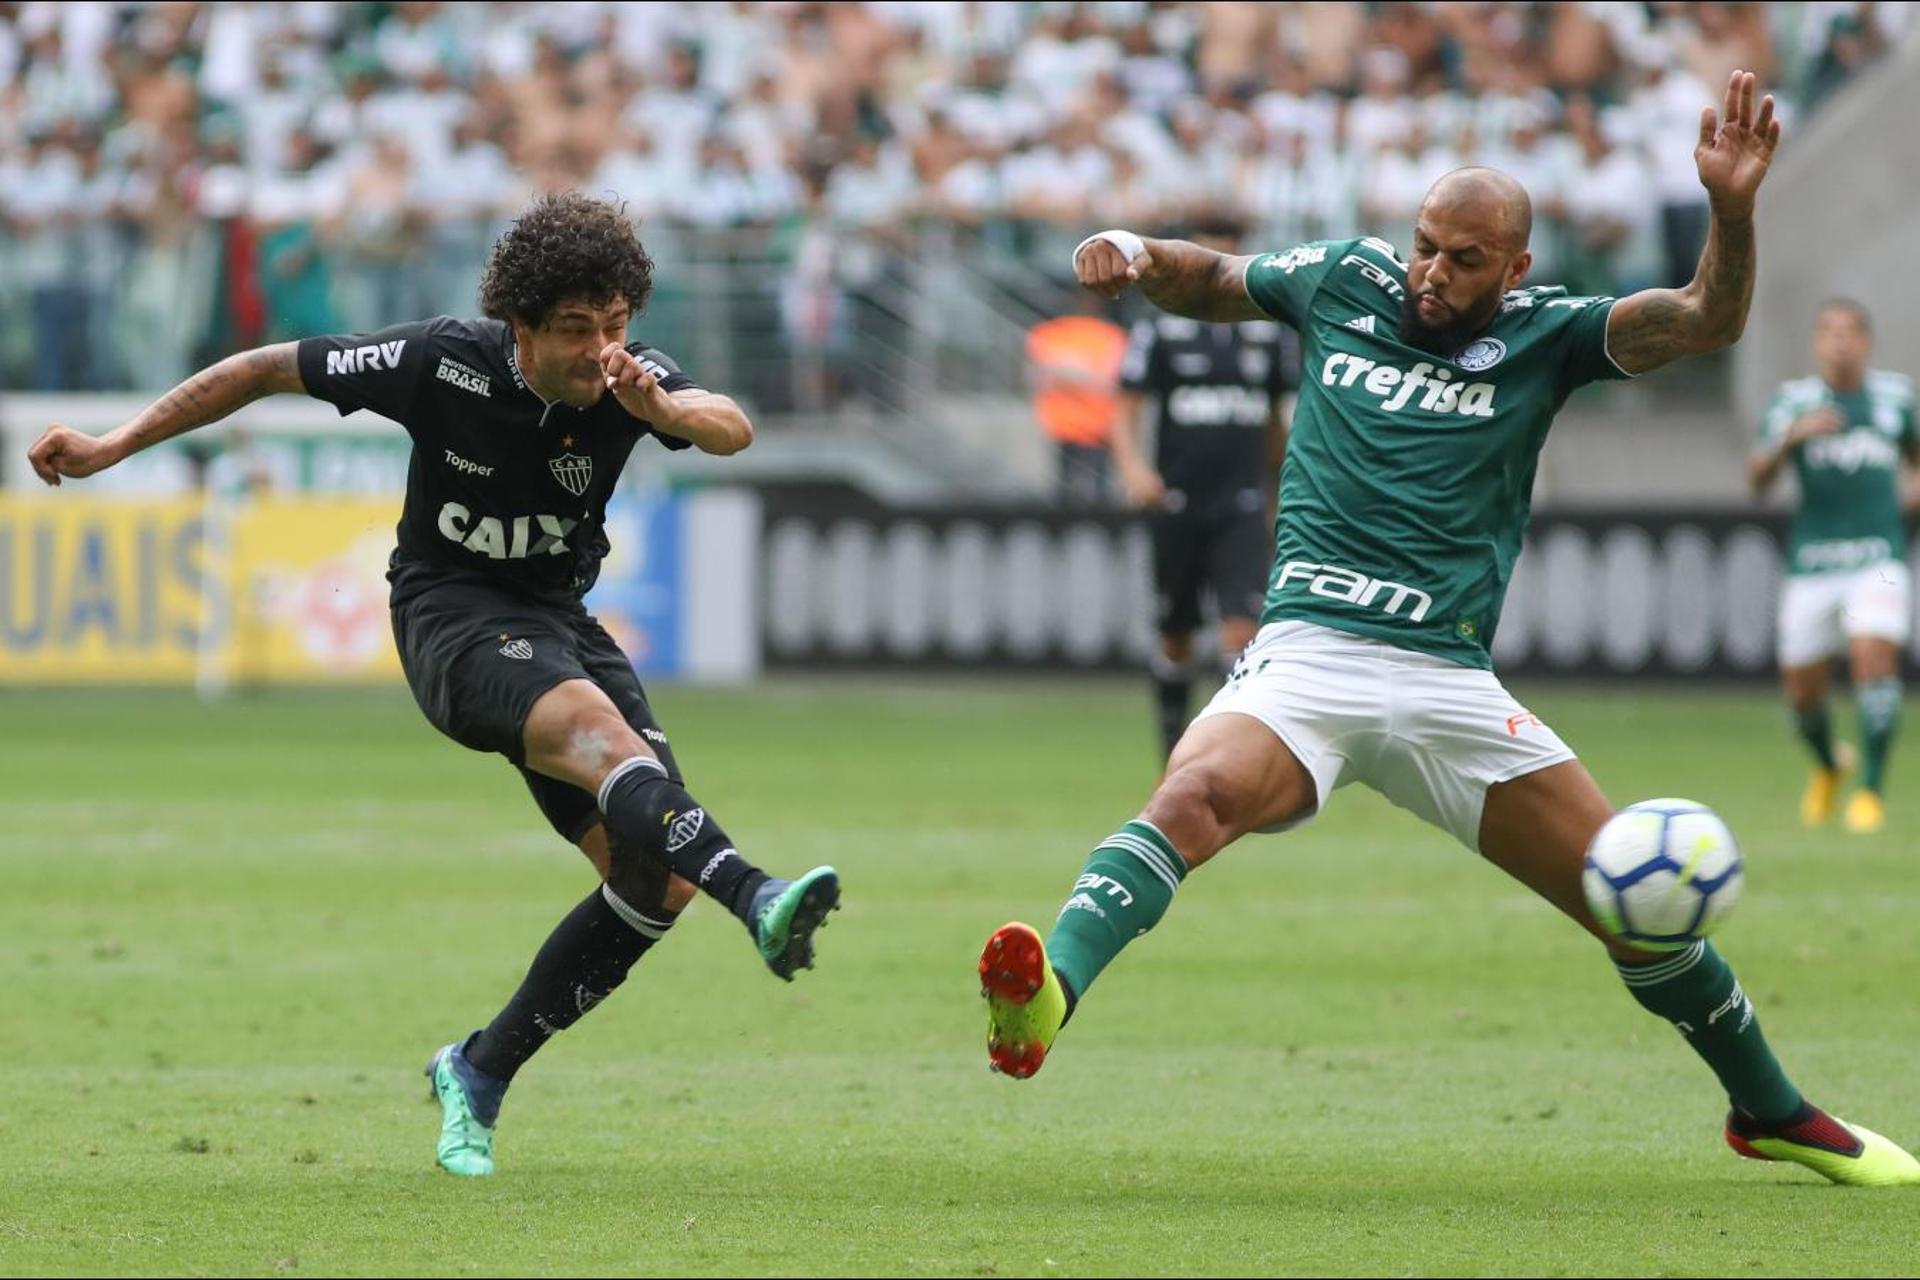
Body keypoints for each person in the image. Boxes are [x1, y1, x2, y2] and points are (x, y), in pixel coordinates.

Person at [976, 72, 1920, 1186]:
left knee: (1637, 900)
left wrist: (1730, 207)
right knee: (1191, 795)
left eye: (1465, 258)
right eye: (1426, 243)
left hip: (1447, 681)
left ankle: (1771, 1108)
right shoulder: (1345, 279)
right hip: (1309, 657)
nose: (1433, 271)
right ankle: (1046, 997)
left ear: (1515, 267)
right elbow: (1216, 277)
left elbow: (1708, 318)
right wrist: (1134, 248)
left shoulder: (1551, 333)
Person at [26, 192, 841, 1179]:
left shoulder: (635, 383)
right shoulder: (439, 360)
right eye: (576, 331)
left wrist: (665, 410)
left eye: (616, 326)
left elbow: (732, 427)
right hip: (450, 618)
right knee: (597, 733)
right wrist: (115, 444)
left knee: (654, 881)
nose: (600, 351)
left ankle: (479, 1065)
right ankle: (756, 895)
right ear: (520, 327)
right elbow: (262, 369)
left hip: (560, 624)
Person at [1110, 213, 1296, 760]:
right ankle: (1171, 754)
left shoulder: (1267, 336)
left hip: (1240, 502)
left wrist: (1283, 485)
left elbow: (1277, 421)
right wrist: (1132, 468)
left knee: (1239, 632)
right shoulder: (1160, 330)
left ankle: (1214, 757)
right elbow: (1125, 407)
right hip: (1176, 499)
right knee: (1176, 634)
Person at [1748, 300, 1916, 834]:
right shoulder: (1793, 404)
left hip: (1878, 558)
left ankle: (1869, 790)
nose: (1840, 343)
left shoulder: (1895, 398)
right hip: (1812, 565)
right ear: (1817, 344)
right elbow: (1756, 481)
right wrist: (1788, 441)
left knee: (1874, 657)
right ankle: (1828, 765)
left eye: (1850, 333)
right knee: (1802, 693)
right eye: (1829, 333)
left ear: (1866, 342)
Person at [1026, 297, 1128, 505]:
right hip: (1064, 427)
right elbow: (1037, 375)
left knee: (1100, 492)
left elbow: (1112, 380)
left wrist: (1066, 373)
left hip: (1097, 427)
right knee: (1064, 492)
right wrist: (1080, 374)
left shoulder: (1110, 335)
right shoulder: (1051, 333)